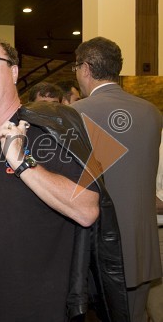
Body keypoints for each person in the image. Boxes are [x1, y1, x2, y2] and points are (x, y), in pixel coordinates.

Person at [0, 35, 130, 321]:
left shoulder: (50, 130)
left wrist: (23, 162)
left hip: (40, 309)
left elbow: (87, 209)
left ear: (13, 71)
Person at [71, 36, 162, 322]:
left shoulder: (75, 114)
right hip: (142, 250)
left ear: (85, 68)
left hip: (95, 253)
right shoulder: (151, 113)